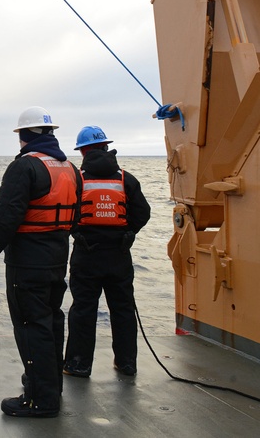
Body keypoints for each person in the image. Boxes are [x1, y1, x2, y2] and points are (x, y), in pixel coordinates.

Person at [0, 106, 81, 418]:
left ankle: (39, 399)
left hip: (27, 262)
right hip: (57, 259)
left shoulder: (24, 167)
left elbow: (7, 216)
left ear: (23, 135)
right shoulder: (69, 168)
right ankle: (49, 389)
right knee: (51, 322)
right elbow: (75, 216)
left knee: (30, 326)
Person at [63, 126, 151, 378]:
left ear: (83, 152)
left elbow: (67, 213)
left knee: (83, 309)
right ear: (106, 147)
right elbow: (143, 214)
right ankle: (126, 364)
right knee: (123, 309)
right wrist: (127, 232)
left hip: (86, 255)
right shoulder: (127, 179)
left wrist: (76, 232)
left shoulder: (76, 179)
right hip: (119, 255)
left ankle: (78, 365)